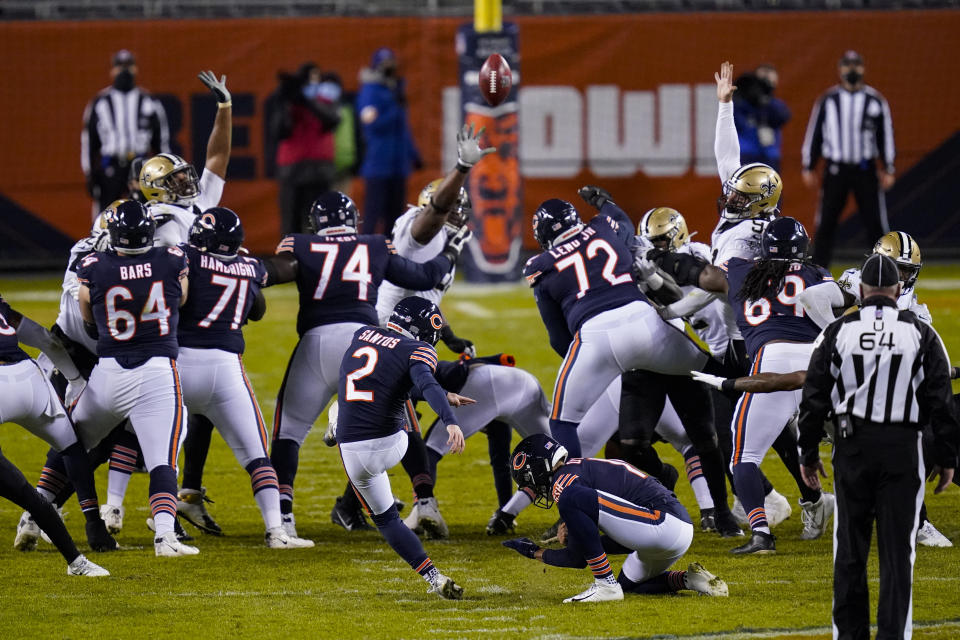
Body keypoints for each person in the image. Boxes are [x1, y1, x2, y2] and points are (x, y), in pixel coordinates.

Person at [524, 185, 740, 539]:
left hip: (594, 337)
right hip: (648, 324)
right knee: (719, 379)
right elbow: (621, 219)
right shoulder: (605, 226)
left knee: (562, 423)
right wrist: (604, 202)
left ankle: (577, 511)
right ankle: (729, 509)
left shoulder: (540, 265)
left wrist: (596, 367)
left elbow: (558, 338)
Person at [262, 191, 468, 538]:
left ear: (315, 224)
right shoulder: (373, 245)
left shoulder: (299, 243)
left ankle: (282, 522)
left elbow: (273, 272)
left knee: (288, 432)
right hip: (364, 341)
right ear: (353, 219)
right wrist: (450, 252)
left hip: (315, 343)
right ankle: (424, 500)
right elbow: (423, 278)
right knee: (403, 419)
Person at [798, 253, 958, 640]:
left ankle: (849, 635)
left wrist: (807, 452)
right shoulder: (921, 331)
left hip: (853, 447)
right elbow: (940, 398)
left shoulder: (838, 330)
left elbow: (814, 395)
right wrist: (948, 456)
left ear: (863, 289)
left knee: (850, 552)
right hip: (904, 448)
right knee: (898, 554)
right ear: (899, 289)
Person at [663, 217, 841, 553]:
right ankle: (901, 518)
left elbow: (700, 276)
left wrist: (668, 264)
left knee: (744, 458)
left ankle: (761, 534)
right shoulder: (818, 274)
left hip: (770, 365)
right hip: (820, 368)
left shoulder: (741, 270)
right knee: (861, 444)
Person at [176, 208, 313, 549]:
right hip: (226, 371)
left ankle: (155, 525)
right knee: (257, 455)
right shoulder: (249, 268)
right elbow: (258, 310)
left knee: (157, 453)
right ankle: (277, 532)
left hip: (179, 365)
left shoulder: (183, 257)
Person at [70, 200, 197, 557]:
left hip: (109, 369)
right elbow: (182, 299)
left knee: (71, 441)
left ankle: (37, 510)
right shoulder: (172, 258)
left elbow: (88, 315)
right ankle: (166, 539)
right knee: (162, 459)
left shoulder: (93, 264)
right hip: (157, 370)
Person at [336, 296, 469, 599]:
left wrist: (442, 394)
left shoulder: (361, 334)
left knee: (387, 521)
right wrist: (450, 420)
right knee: (408, 419)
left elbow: (380, 376)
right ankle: (434, 572)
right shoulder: (417, 348)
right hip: (391, 445)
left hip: (353, 453)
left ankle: (435, 577)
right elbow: (425, 383)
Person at [500, 434, 728, 603]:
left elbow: (577, 559)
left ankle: (605, 585)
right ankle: (690, 579)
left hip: (660, 523)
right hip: (673, 528)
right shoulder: (578, 471)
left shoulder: (564, 483)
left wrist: (534, 552)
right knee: (631, 586)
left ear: (540, 469)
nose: (535, 490)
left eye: (530, 482)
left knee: (571, 499)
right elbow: (589, 550)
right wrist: (573, 534)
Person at [3, 295, 117, 554]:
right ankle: (92, 523)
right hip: (28, 380)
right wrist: (76, 380)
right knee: (73, 446)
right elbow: (46, 340)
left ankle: (33, 513)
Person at [802, 50, 896, 267]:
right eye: (847, 65)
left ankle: (884, 267)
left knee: (875, 222)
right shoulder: (828, 100)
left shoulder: (874, 100)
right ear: (840, 69)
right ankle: (818, 270)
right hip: (836, 170)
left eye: (856, 65)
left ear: (863, 68)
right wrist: (809, 165)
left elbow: (885, 135)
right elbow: (814, 133)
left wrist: (888, 167)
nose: (852, 69)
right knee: (826, 222)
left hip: (865, 169)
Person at [82, 50, 170, 217]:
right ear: (112, 70)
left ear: (135, 69)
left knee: (148, 214)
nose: (124, 71)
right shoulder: (99, 102)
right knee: (105, 217)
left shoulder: (150, 102)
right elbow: (89, 142)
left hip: (141, 166)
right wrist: (89, 173)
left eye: (128, 66)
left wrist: (163, 172)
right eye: (120, 66)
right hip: (111, 166)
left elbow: (161, 142)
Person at [356, 47, 423, 235]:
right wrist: (394, 109)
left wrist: (413, 154)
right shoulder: (370, 91)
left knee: (395, 217)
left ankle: (390, 256)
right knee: (373, 213)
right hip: (378, 163)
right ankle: (367, 254)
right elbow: (372, 125)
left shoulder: (395, 90)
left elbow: (404, 130)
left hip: (398, 164)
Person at [270, 63, 342, 235]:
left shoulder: (327, 98)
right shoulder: (287, 102)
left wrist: (307, 101)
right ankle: (289, 260)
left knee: (318, 223)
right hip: (292, 170)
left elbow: (333, 120)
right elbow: (278, 132)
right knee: (290, 225)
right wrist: (286, 102)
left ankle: (318, 260)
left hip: (319, 171)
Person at [733, 64, 791, 171]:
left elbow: (783, 116)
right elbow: (731, 119)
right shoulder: (740, 104)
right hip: (745, 155)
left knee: (770, 187)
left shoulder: (774, 104)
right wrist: (744, 93)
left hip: (769, 156)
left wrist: (765, 98)